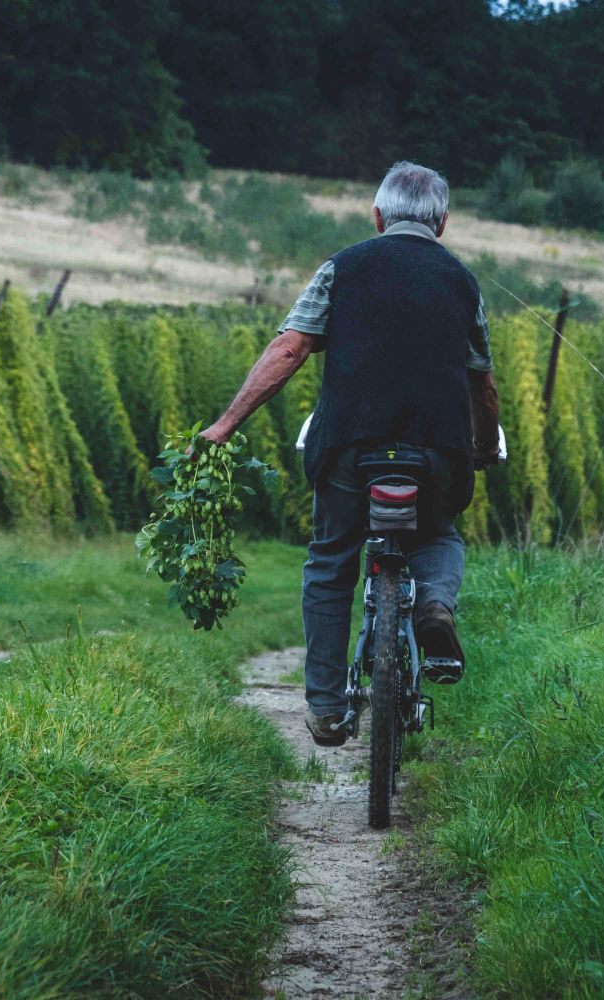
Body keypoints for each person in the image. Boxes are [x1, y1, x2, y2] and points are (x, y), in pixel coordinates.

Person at [197, 160, 500, 746]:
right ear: (442, 224)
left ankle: (328, 707)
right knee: (438, 535)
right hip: (437, 450)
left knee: (332, 558)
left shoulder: (344, 266)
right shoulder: (462, 282)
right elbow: (481, 384)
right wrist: (484, 443)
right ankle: (435, 608)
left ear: (378, 215)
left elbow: (290, 350)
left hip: (350, 448)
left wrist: (224, 426)